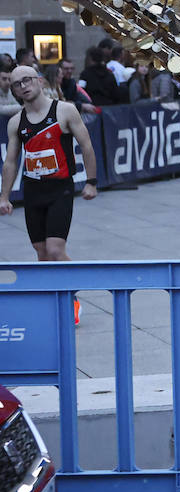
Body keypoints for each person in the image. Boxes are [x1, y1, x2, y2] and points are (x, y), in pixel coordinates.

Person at [1, 66, 100, 320]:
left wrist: (91, 182)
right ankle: (53, 301)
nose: (23, 86)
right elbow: (11, 162)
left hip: (60, 189)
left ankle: (73, 297)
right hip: (32, 191)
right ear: (13, 90)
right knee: (42, 255)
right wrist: (4, 197)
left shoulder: (64, 110)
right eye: (16, 84)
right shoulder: (16, 122)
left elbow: (86, 145)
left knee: (56, 250)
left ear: (40, 81)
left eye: (27, 80)